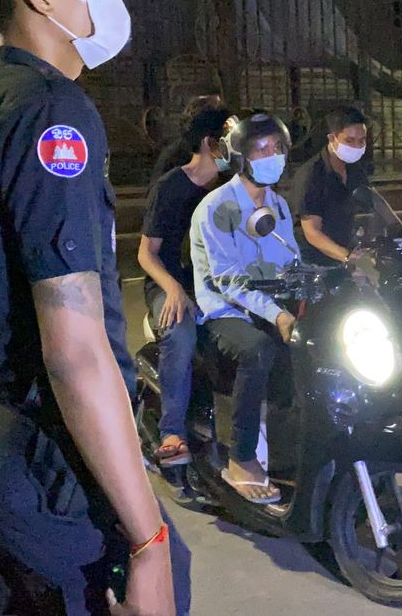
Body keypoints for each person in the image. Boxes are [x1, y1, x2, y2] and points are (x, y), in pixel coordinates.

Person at [0, 0, 188, 613]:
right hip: (55, 471)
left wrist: (2, 424)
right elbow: (75, 351)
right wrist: (149, 540)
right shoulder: (51, 113)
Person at [188, 112, 299, 504]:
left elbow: (291, 262)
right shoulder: (217, 208)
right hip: (225, 312)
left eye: (277, 148)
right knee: (258, 350)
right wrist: (278, 315)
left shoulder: (278, 205)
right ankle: (241, 458)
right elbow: (228, 281)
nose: (272, 156)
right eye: (261, 150)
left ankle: (290, 449)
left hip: (268, 306)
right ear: (241, 158)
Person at [138, 95, 230, 468]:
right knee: (180, 330)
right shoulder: (171, 187)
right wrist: (173, 288)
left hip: (220, 284)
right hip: (172, 284)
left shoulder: (233, 185)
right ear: (210, 143)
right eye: (228, 139)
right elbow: (146, 253)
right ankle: (172, 432)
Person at [294, 105, 372, 264]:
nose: (357, 146)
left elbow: (372, 207)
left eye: (361, 140)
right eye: (349, 140)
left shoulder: (355, 170)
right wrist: (346, 256)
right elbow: (312, 232)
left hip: (347, 258)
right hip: (315, 265)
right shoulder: (312, 175)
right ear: (331, 138)